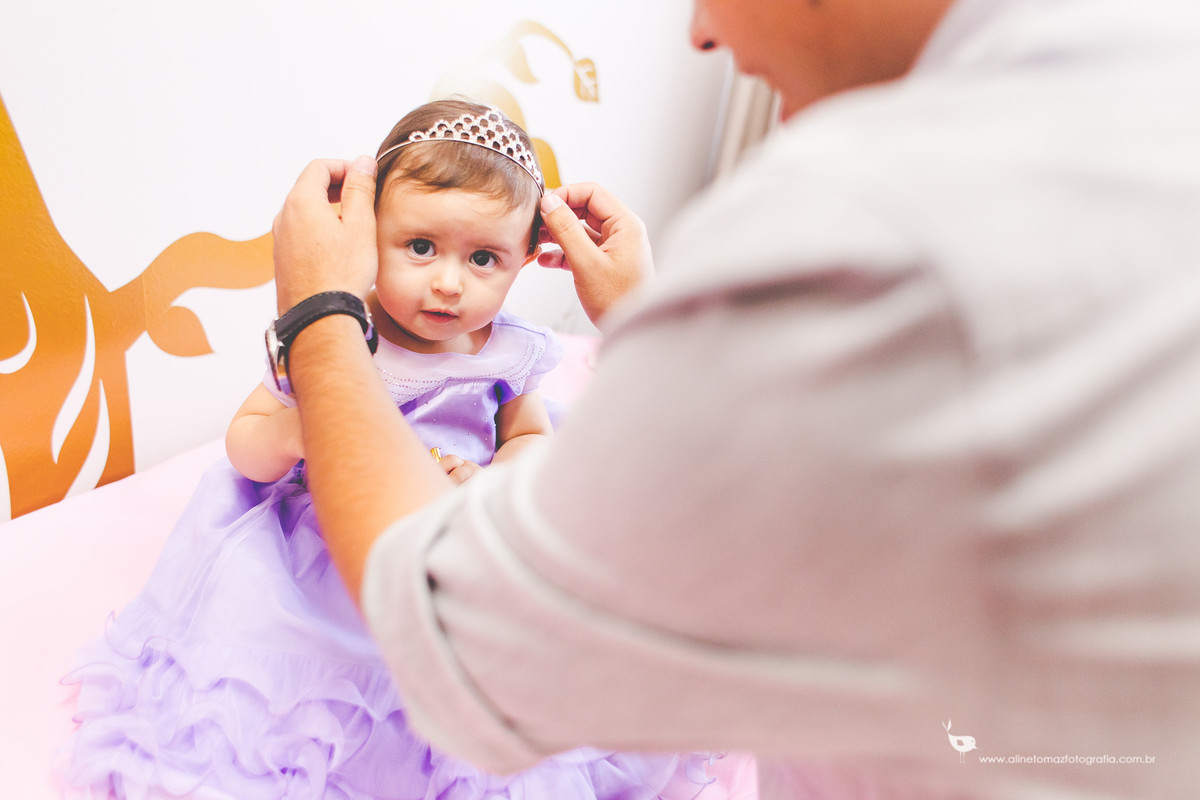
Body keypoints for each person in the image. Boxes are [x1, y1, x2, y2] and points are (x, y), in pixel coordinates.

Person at [271, 0, 1200, 798]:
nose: (702, 36)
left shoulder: (867, 221)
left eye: (483, 258)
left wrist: (319, 316)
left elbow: (467, 645)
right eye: (422, 248)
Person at [59, 99, 720, 799]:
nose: (447, 282)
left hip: (462, 532)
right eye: (421, 247)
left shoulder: (509, 352)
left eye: (484, 258)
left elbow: (529, 435)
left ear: (528, 260)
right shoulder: (336, 332)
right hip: (328, 538)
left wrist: (495, 478)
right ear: (368, 234)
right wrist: (296, 429)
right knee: (294, 657)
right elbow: (244, 443)